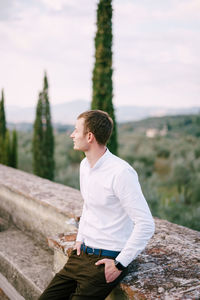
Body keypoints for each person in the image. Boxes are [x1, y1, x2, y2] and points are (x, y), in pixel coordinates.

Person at [39, 110, 155, 300]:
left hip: (106, 260)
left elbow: (146, 224)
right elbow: (89, 206)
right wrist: (80, 237)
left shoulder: (121, 173)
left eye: (76, 130)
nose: (72, 135)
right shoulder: (85, 165)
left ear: (90, 136)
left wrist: (119, 265)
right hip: (81, 254)